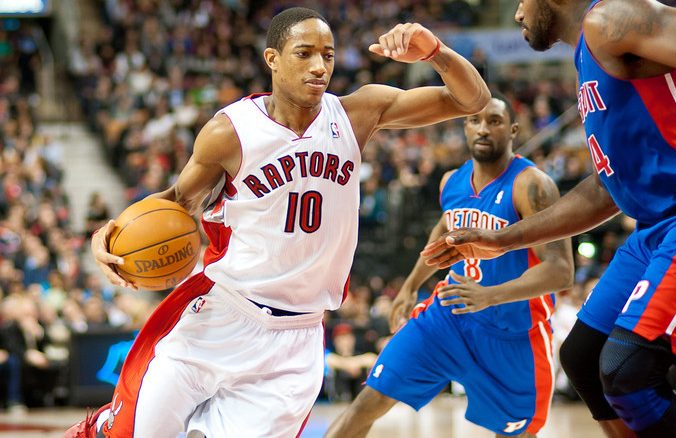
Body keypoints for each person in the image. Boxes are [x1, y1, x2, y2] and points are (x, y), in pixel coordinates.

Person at [65, 7, 489, 438]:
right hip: (223, 314)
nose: (319, 66)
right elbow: (175, 203)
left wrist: (435, 52)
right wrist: (109, 232)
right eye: (304, 53)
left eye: (328, 54)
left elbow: (472, 100)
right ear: (272, 59)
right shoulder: (230, 132)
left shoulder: (357, 113)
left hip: (297, 336)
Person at [421, 1, 676, 437]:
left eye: (520, 0)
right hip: (662, 218)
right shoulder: (589, 63)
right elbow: (604, 189)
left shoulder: (608, 18)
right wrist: (503, 239)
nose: (517, 13)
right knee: (583, 359)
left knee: (627, 368)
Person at [326, 96, 574, 437]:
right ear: (465, 127)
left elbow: (561, 271)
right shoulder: (451, 182)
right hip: (448, 316)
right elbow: (444, 231)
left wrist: (490, 296)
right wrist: (412, 285)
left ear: (514, 129)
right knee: (368, 400)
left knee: (519, 433)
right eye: (475, 121)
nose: (483, 128)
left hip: (513, 332)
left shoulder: (532, 185)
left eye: (495, 121)